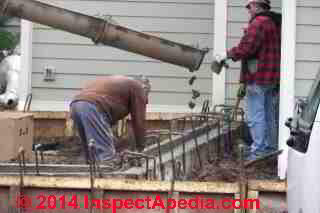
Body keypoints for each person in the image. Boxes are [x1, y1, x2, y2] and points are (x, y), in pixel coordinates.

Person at [213, 0, 281, 160]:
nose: (248, 10)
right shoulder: (273, 22)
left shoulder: (258, 22)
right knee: (268, 115)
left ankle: (258, 152)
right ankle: (270, 148)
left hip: (257, 76)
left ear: (258, 6)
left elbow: (246, 48)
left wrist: (226, 54)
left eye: (249, 6)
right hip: (271, 77)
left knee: (255, 116)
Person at [70, 75, 151, 163]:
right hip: (93, 106)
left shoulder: (120, 85)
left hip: (76, 105)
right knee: (107, 156)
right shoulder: (138, 88)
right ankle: (108, 173)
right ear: (145, 88)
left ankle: (89, 170)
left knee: (91, 150)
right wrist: (141, 148)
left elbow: (107, 119)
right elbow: (139, 121)